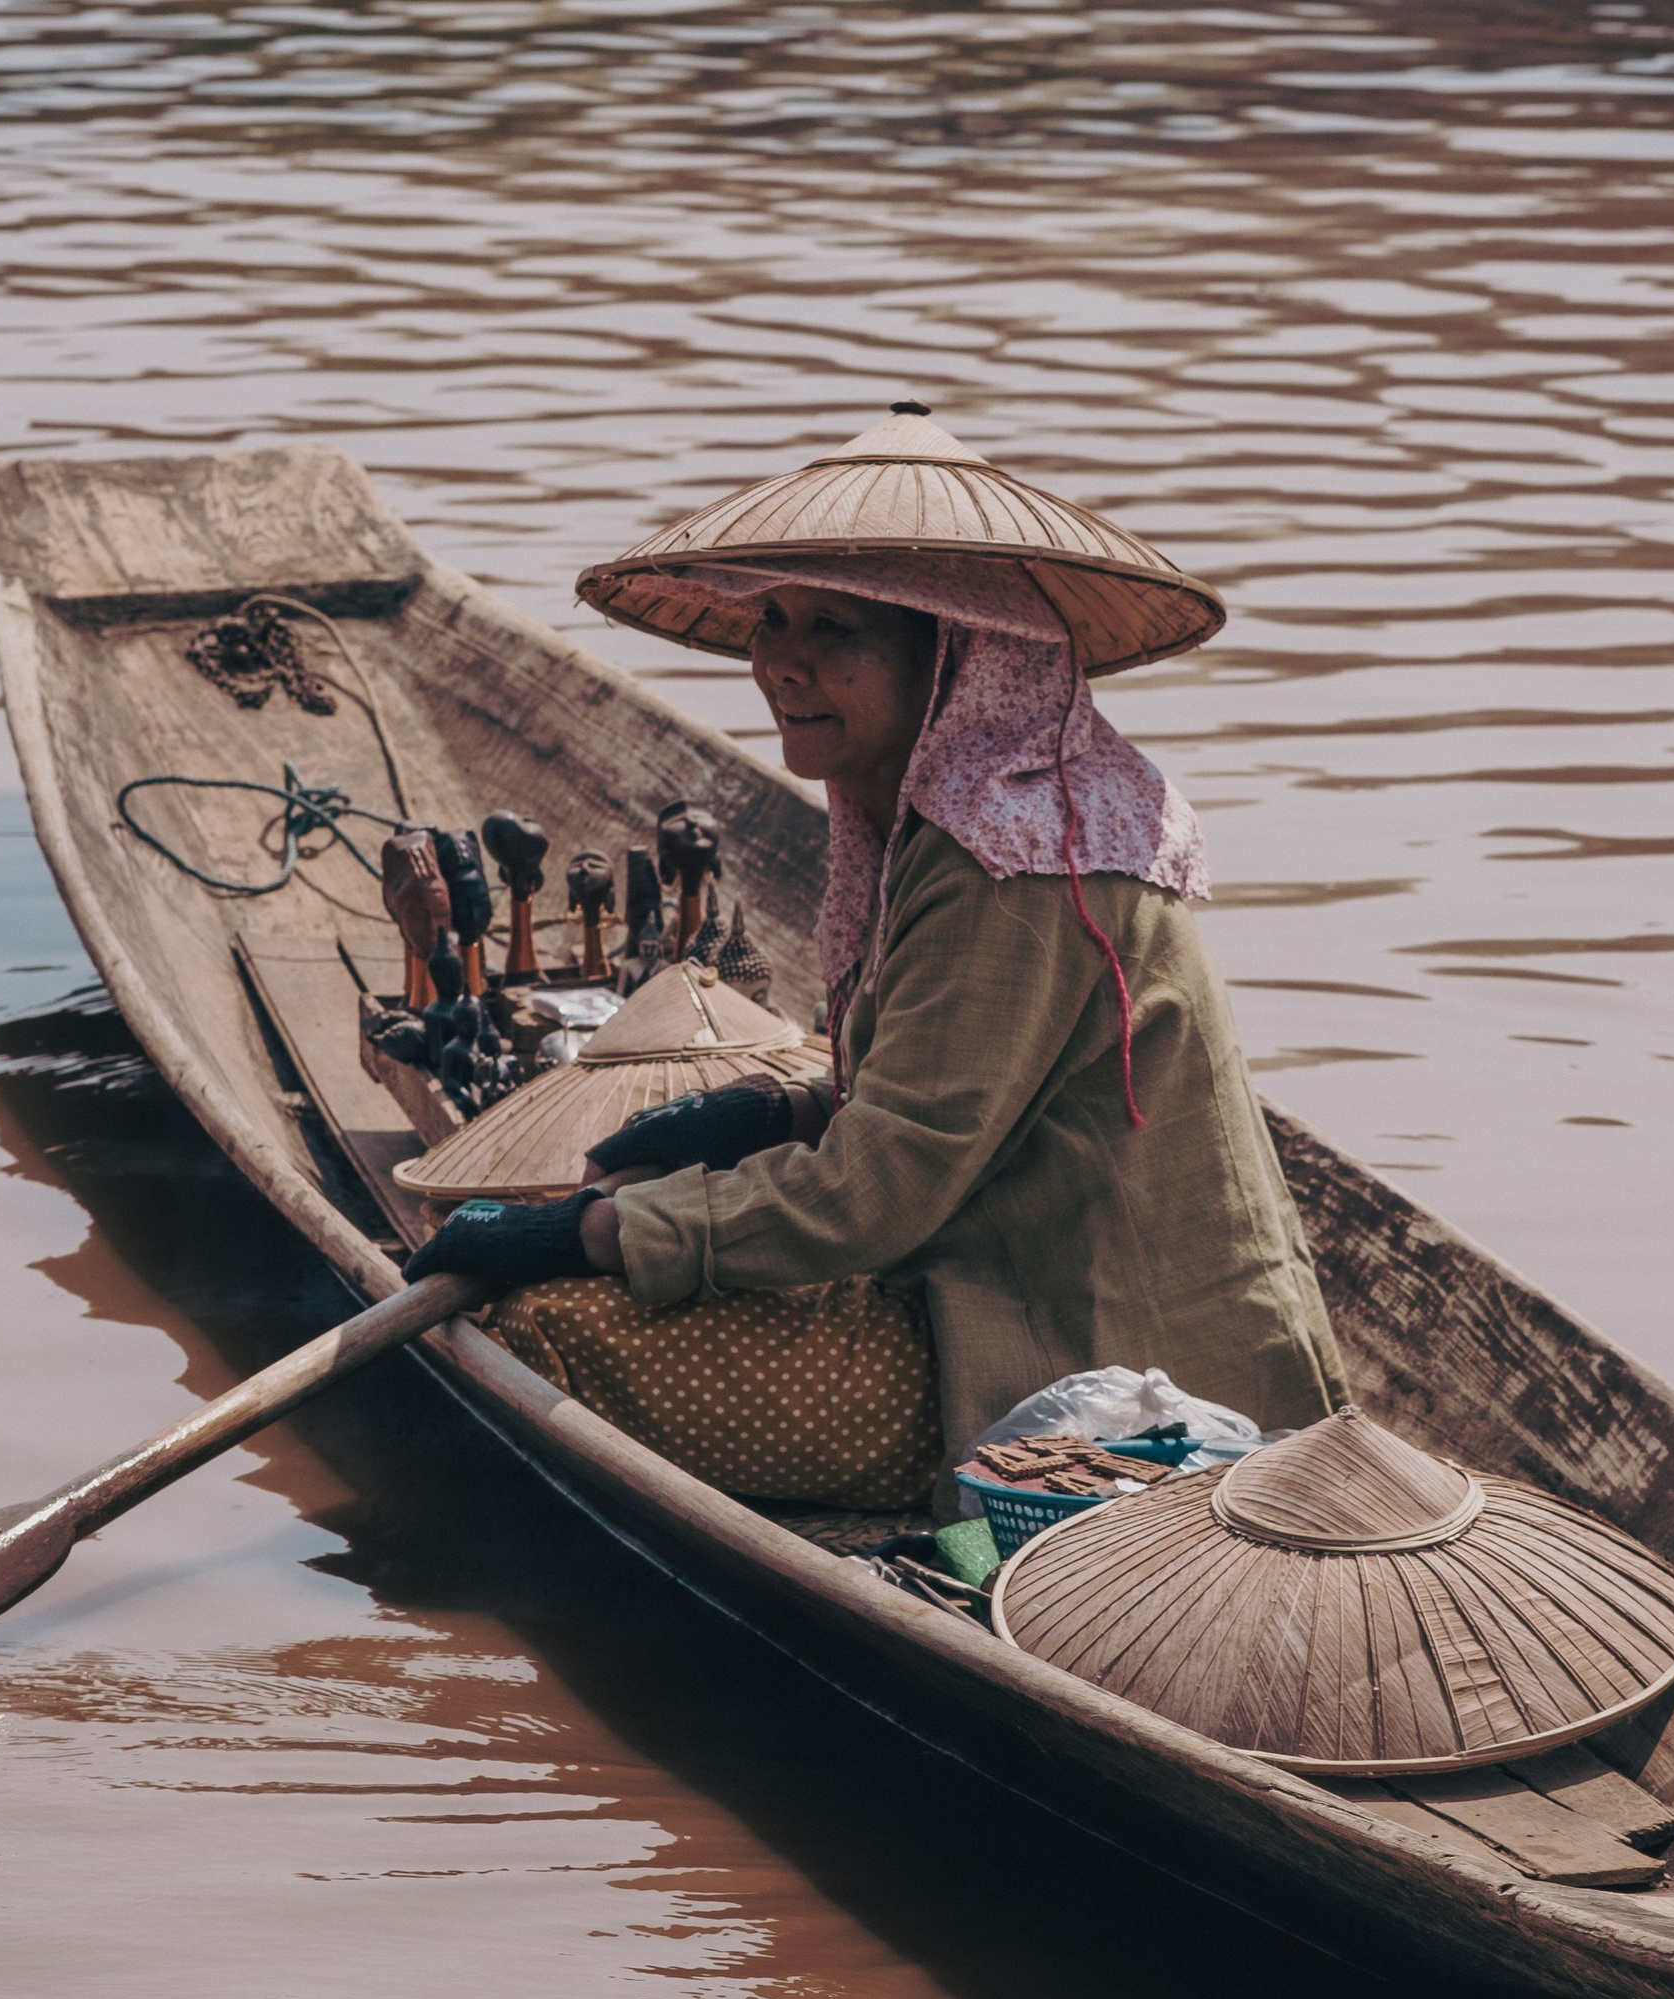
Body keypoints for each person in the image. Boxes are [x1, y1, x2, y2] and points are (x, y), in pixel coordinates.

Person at [407, 411, 1346, 1507]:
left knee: (546, 1327)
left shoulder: (1015, 866)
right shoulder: (974, 822)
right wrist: (782, 1109)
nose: (780, 662)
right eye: (773, 619)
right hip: (994, 1274)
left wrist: (596, 1230)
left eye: (834, 629)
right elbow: (945, 1095)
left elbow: (877, 1195)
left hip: (1085, 1375)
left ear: (952, 658)